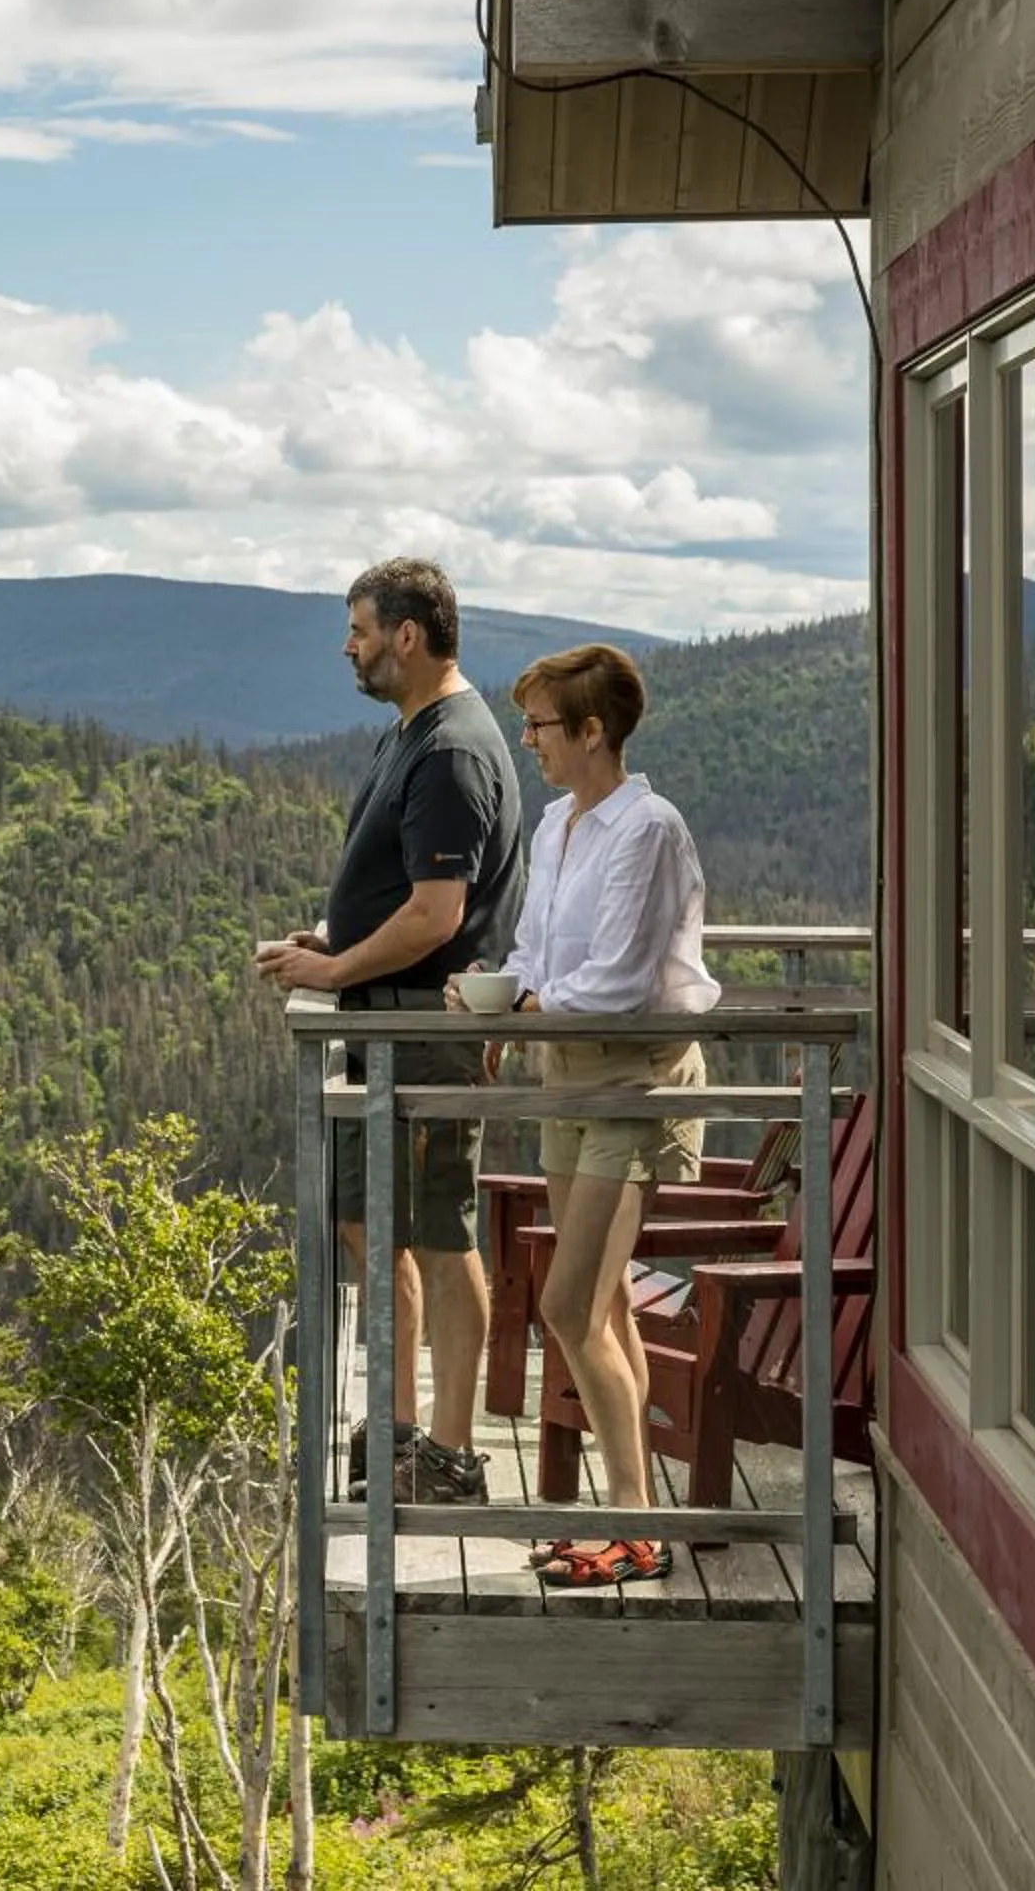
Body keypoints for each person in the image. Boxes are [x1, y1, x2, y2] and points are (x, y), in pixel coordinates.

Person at [257, 558, 522, 1506]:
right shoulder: (416, 733)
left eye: (360, 629)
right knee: (376, 1226)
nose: (349, 645)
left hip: (425, 1026)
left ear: (408, 635)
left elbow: (438, 916)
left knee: (440, 1233)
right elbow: (401, 902)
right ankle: (404, 1428)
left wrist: (333, 970)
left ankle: (448, 1455)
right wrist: (335, 937)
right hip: (395, 1020)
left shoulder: (450, 750)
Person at [455, 643, 717, 1588]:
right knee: (601, 1303)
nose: (528, 741)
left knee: (567, 1304)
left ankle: (637, 1532)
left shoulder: (649, 830)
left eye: (540, 726)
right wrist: (499, 998)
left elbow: (615, 981)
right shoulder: (560, 828)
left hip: (632, 1081)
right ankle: (628, 1512)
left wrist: (526, 1008)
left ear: (593, 731)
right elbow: (535, 950)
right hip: (565, 1071)